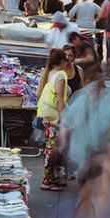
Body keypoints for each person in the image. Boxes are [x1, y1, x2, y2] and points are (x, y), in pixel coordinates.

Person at [36, 48, 71, 191]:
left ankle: (53, 178)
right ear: (62, 61)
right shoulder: (60, 76)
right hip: (54, 118)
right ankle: (47, 180)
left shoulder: (51, 74)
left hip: (47, 116)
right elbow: (59, 100)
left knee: (53, 148)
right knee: (51, 150)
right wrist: (64, 118)